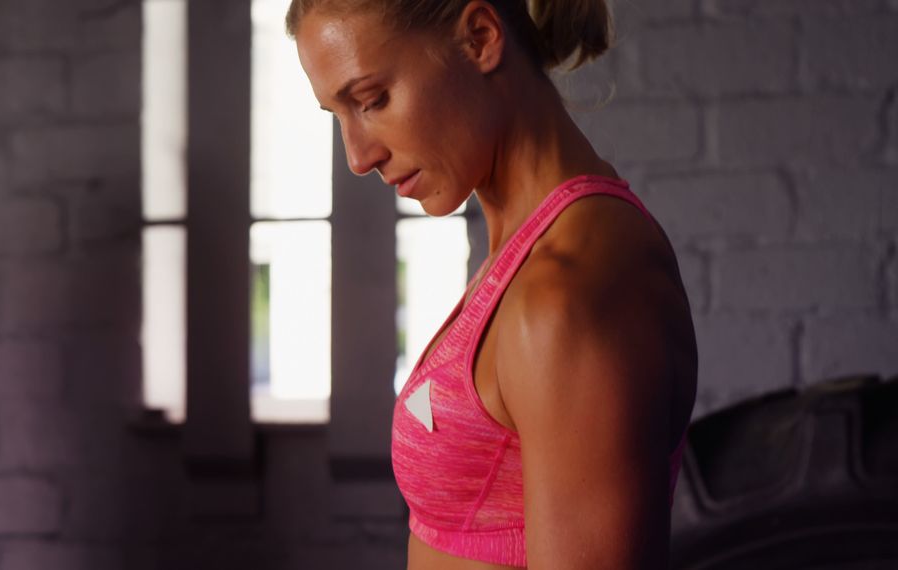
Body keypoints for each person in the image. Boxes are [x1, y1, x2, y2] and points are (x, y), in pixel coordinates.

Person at [287, 0, 698, 568]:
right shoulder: (525, 255)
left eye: (372, 100)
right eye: (339, 114)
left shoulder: (565, 296)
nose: (359, 157)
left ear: (479, 38)